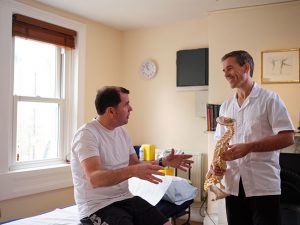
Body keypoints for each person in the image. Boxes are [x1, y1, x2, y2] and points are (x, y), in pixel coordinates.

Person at [71, 86, 193, 225]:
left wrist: (163, 162)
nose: (131, 108)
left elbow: (134, 165)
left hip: (126, 199)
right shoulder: (87, 135)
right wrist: (132, 171)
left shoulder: (122, 132)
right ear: (111, 110)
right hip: (97, 207)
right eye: (126, 104)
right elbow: (95, 179)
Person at [211, 50, 295, 225]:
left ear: (246, 67)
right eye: (224, 70)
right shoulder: (226, 106)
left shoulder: (270, 99)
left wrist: (249, 147)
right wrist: (216, 164)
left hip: (263, 186)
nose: (226, 74)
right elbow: (219, 142)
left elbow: (288, 137)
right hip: (233, 185)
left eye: (230, 68)